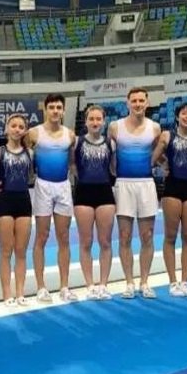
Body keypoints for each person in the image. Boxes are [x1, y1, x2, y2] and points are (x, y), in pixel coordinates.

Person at [109, 88, 161, 298]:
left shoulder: (155, 128)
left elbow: (159, 153)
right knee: (124, 236)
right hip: (124, 184)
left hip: (146, 184)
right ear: (127, 103)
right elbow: (109, 156)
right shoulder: (115, 127)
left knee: (147, 236)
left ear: (147, 103)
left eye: (141, 100)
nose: (138, 104)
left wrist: (162, 166)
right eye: (134, 101)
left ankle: (144, 282)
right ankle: (129, 282)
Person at [26, 94, 76, 302]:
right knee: (42, 236)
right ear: (45, 110)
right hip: (43, 186)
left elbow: (72, 163)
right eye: (51, 107)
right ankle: (41, 287)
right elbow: (23, 159)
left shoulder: (70, 135)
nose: (55, 111)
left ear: (63, 111)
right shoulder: (34, 133)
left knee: (64, 238)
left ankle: (64, 286)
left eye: (59, 107)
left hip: (63, 186)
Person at [151, 103, 187, 297]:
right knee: (170, 237)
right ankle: (172, 281)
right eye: (184, 113)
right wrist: (166, 164)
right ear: (177, 116)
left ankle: (185, 281)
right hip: (172, 188)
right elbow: (153, 158)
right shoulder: (167, 136)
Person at [0, 114, 34, 306]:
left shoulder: (30, 153)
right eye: (13, 126)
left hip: (23, 201)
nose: (16, 129)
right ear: (6, 129)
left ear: (24, 130)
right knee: (6, 250)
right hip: (5, 202)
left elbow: (29, 177)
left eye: (20, 126)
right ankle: (7, 294)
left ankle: (20, 292)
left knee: (21, 251)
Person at [73, 105, 115, 300]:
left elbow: (113, 168)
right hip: (83, 193)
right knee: (86, 241)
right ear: (86, 121)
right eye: (92, 119)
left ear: (104, 121)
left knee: (105, 241)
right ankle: (90, 285)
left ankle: (103, 284)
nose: (95, 122)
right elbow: (71, 164)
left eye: (99, 119)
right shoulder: (77, 142)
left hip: (105, 193)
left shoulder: (110, 143)